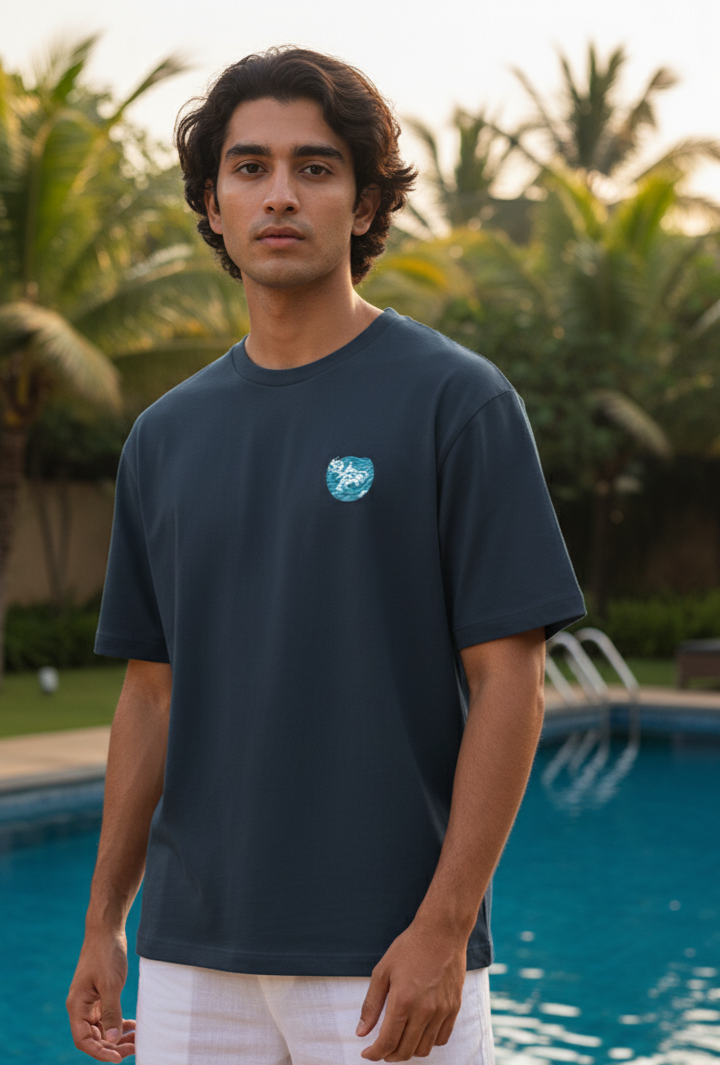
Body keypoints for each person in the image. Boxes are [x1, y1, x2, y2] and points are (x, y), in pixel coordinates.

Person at [66, 46, 586, 1065]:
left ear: (362, 201)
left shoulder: (456, 402)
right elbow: (150, 696)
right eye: (249, 167)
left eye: (315, 167)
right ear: (211, 204)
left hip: (387, 954)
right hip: (190, 958)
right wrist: (103, 921)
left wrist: (444, 928)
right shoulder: (164, 437)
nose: (279, 195)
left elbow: (510, 683)